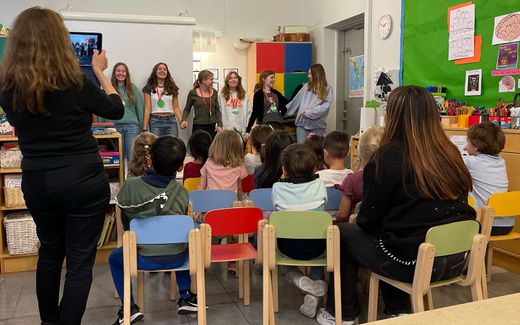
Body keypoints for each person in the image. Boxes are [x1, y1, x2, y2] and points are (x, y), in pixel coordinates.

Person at [0, 7, 124, 325]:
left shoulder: (9, 88)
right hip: (82, 178)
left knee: (50, 253)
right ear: (60, 42)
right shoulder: (76, 83)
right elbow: (116, 107)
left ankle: (48, 322)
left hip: (38, 180)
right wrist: (99, 70)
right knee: (80, 262)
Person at [316, 86, 476, 325]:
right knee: (398, 231)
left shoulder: (387, 158)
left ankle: (342, 313)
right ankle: (398, 307)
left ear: (392, 118)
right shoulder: (451, 153)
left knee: (344, 233)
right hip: (454, 258)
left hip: (410, 262)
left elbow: (368, 219)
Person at [111, 136, 198, 325]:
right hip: (177, 257)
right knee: (180, 240)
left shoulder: (131, 186)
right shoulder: (182, 192)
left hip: (142, 259)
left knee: (114, 258)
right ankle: (185, 295)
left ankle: (129, 308)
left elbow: (127, 224)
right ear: (180, 167)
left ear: (149, 160)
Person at [272, 143, 328, 319]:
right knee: (318, 260)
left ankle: (300, 281)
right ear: (313, 168)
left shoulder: (277, 188)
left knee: (283, 265)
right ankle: (314, 291)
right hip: (317, 248)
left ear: (284, 170)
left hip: (287, 248)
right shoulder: (320, 185)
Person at [464, 122, 512, 235]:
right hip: (506, 224)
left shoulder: (472, 162)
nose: (465, 147)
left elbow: (447, 161)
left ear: (476, 146)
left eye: (467, 142)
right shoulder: (500, 162)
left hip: (485, 223)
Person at [336, 127, 384, 222]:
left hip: (358, 229)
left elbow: (342, 215)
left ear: (360, 152)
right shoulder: (393, 179)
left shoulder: (352, 180)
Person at [100, 62, 144, 166]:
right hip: (113, 128)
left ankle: (131, 181)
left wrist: (142, 127)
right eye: (118, 71)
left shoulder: (133, 89)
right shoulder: (108, 88)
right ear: (114, 73)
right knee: (116, 159)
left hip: (132, 128)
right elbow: (101, 110)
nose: (121, 73)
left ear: (127, 74)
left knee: (132, 158)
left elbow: (140, 109)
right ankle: (120, 181)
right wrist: (101, 128)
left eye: (123, 71)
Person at [286, 64, 333, 143]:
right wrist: (283, 112)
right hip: (302, 124)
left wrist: (309, 113)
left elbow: (325, 107)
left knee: (316, 150)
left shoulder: (327, 89)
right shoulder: (306, 87)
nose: (308, 76)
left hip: (318, 125)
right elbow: (295, 101)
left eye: (310, 74)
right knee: (302, 149)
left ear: (316, 75)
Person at [199, 129, 248, 199]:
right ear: (237, 149)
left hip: (210, 205)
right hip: (229, 205)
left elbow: (201, 186)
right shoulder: (239, 165)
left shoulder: (209, 162)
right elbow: (239, 189)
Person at [142, 62, 183, 137]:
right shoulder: (148, 88)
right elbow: (147, 108)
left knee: (172, 146)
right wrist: (144, 128)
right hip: (155, 122)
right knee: (157, 146)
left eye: (165, 69)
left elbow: (176, 107)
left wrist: (181, 121)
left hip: (171, 121)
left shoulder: (172, 87)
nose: (162, 71)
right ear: (155, 72)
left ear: (167, 72)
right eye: (159, 69)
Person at [181, 70, 222, 139]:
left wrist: (220, 125)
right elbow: (187, 109)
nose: (213, 81)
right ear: (204, 80)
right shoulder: (193, 93)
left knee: (211, 148)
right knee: (197, 147)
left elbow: (217, 110)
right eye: (211, 79)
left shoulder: (214, 92)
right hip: (198, 126)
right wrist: (184, 119)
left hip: (212, 126)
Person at [245, 70, 288, 135]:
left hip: (278, 124)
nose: (274, 80)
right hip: (264, 125)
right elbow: (255, 112)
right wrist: (248, 130)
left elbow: (288, 103)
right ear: (264, 79)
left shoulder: (276, 93)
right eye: (271, 77)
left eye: (274, 78)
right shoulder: (258, 94)